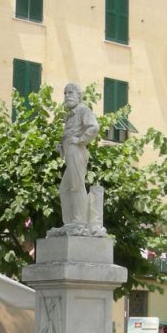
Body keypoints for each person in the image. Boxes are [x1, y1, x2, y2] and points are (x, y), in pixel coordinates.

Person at [57, 82, 99, 231]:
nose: (67, 96)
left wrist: (80, 140)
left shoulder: (82, 110)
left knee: (76, 185)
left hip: (77, 151)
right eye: (65, 93)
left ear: (78, 96)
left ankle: (79, 221)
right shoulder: (70, 115)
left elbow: (94, 127)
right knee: (65, 188)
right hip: (69, 152)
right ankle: (69, 222)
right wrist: (62, 146)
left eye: (70, 93)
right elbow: (69, 134)